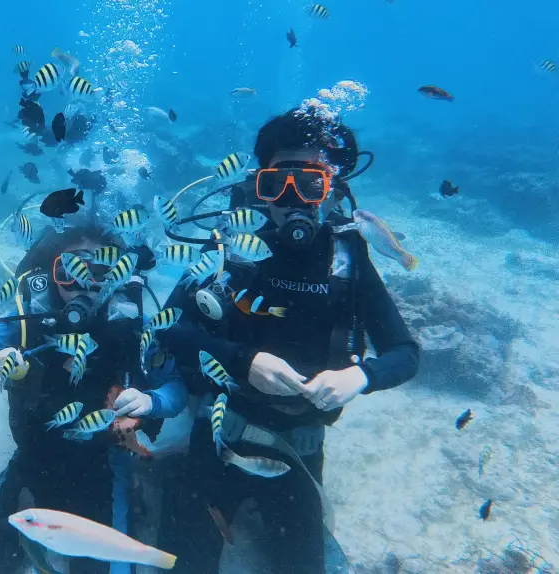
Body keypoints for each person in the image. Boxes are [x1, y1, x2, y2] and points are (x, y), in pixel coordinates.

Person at [155, 109, 420, 572]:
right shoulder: (234, 243)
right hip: (221, 430)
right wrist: (242, 361)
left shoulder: (349, 255)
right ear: (258, 183)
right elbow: (170, 328)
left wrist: (360, 375)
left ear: (332, 186)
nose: (291, 199)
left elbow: (405, 353)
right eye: (276, 183)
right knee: (183, 561)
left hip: (300, 445)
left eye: (311, 184)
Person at [0, 224, 187, 574]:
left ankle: (135, 487)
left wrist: (150, 401)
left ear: (117, 275)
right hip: (36, 451)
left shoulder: (132, 321)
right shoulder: (28, 313)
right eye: (70, 270)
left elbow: (175, 389)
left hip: (103, 461)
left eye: (99, 272)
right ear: (51, 272)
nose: (84, 284)